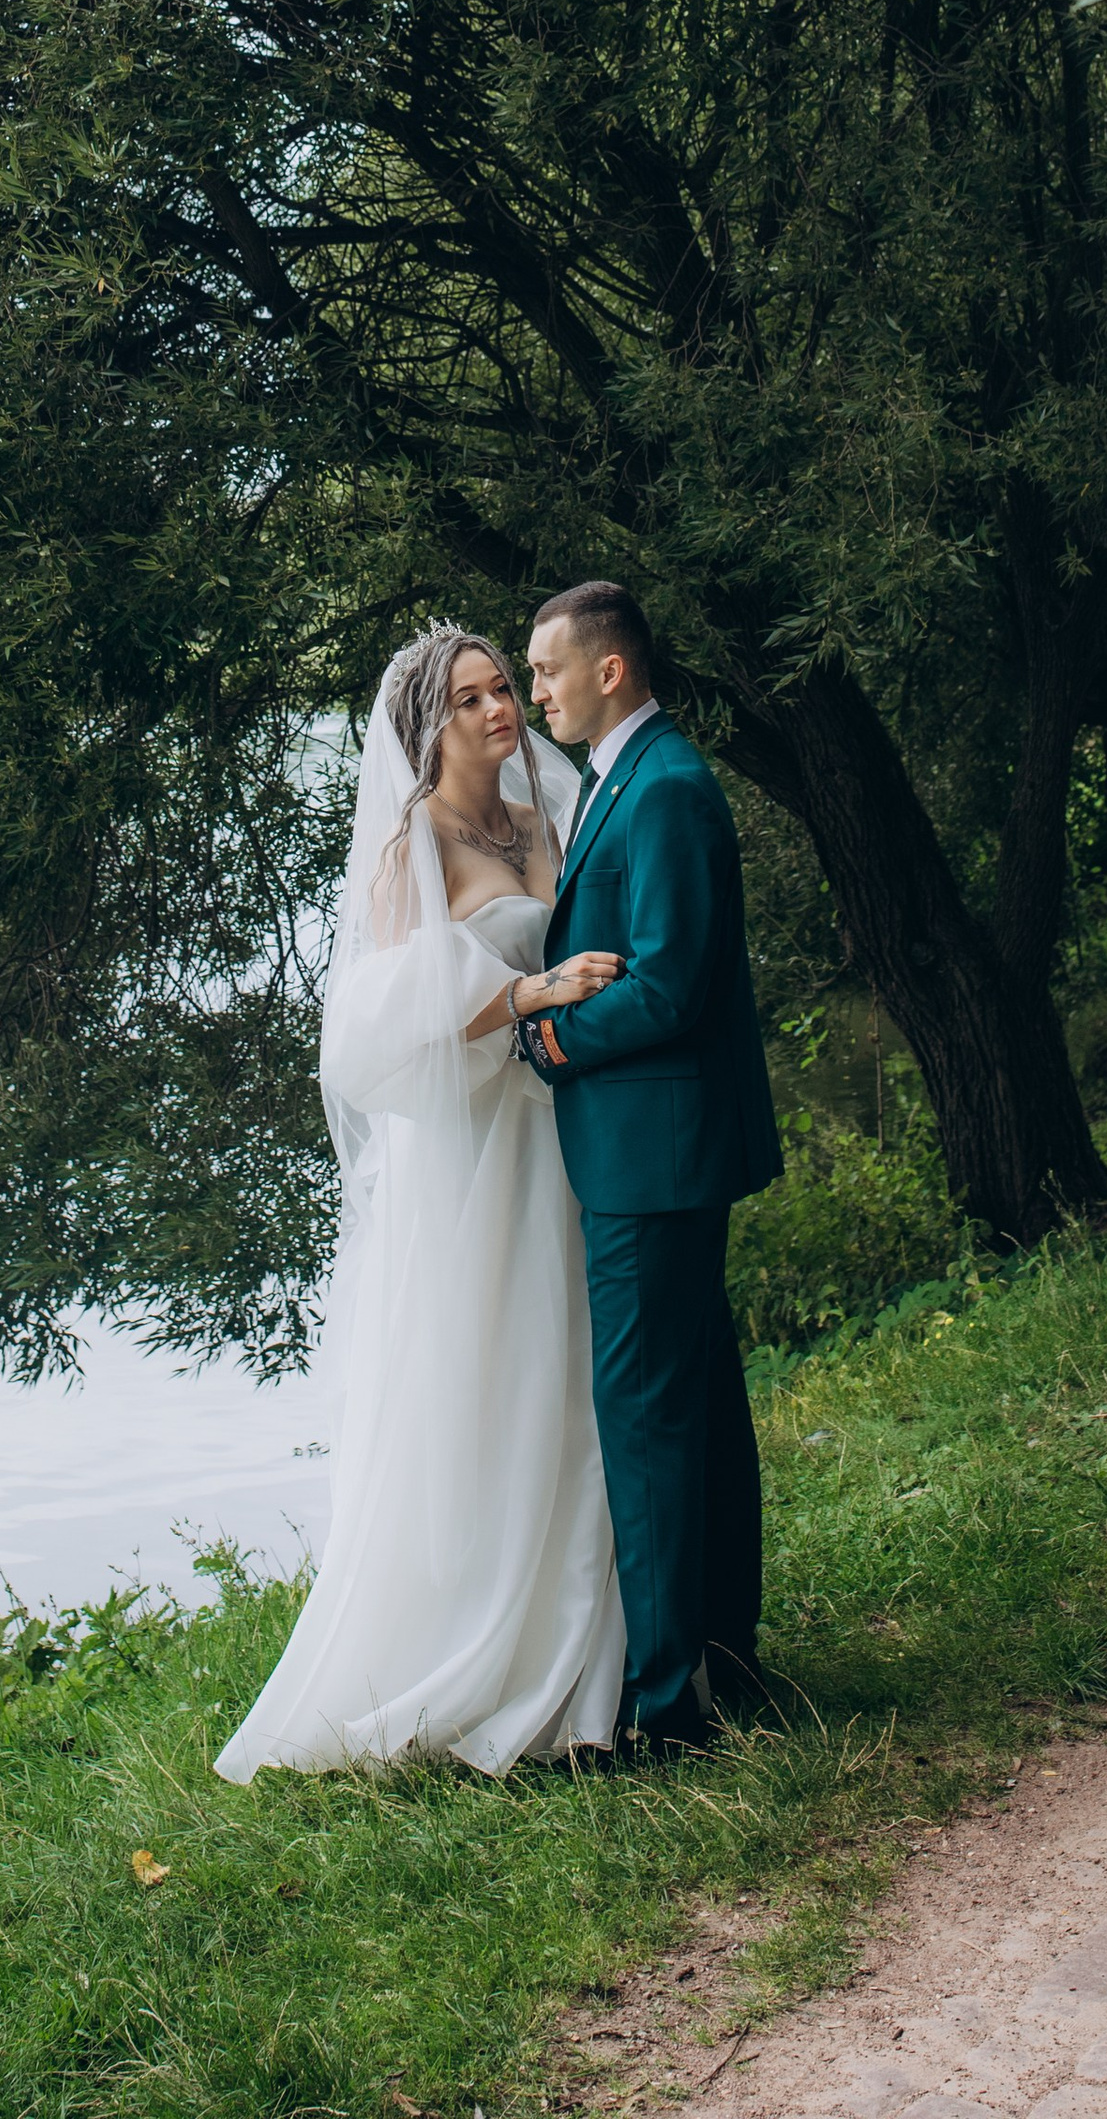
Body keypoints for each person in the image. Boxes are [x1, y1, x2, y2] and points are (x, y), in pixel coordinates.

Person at [215, 622, 630, 1778]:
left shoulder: (549, 818)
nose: (500, 710)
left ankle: (605, 1664)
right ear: (425, 729)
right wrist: (531, 991)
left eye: (506, 688)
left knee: (586, 1384)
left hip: (569, 1129)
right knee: (503, 1382)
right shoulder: (414, 846)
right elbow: (370, 1036)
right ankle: (485, 1660)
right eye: (471, 699)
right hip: (481, 1153)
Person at [516, 579, 784, 1755]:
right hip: (654, 1150)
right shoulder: (624, 778)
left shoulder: (664, 788)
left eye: (545, 673)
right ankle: (722, 1660)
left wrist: (554, 1036)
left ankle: (670, 1708)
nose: (534, 694)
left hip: (652, 1159)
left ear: (608, 670)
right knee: (698, 1412)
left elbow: (670, 984)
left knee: (648, 1420)